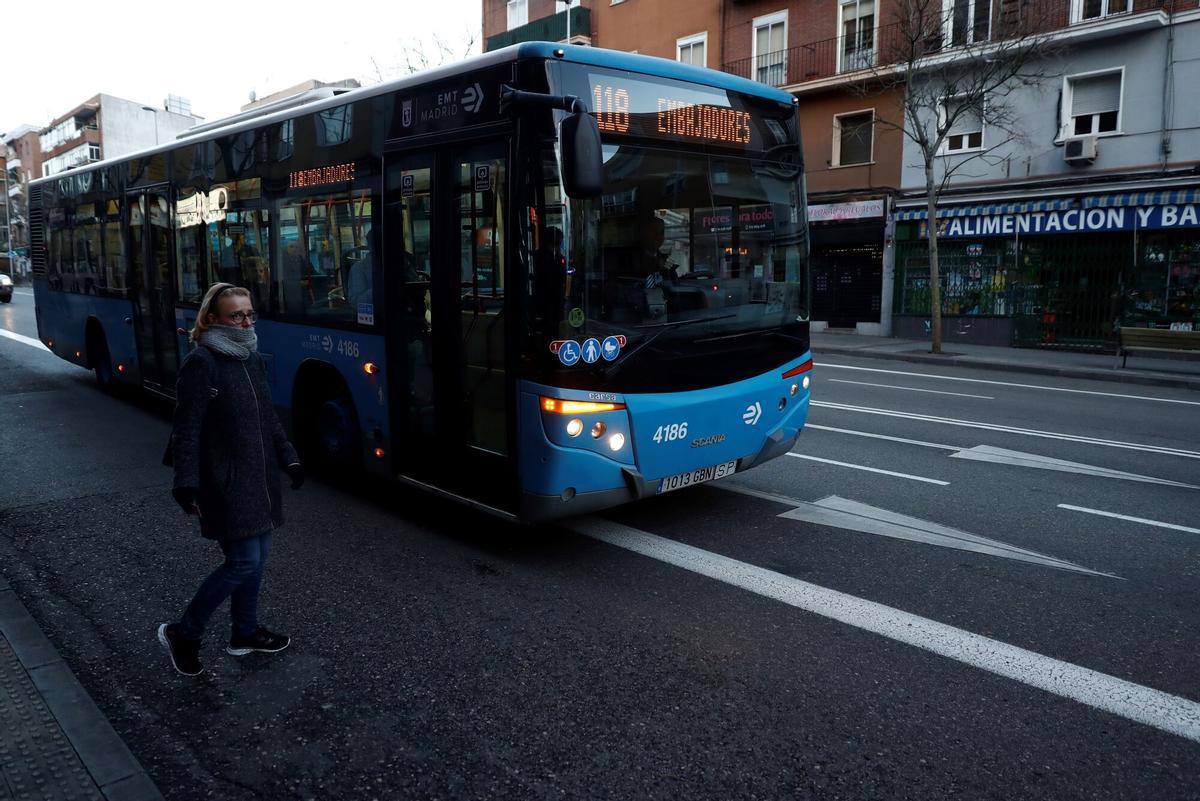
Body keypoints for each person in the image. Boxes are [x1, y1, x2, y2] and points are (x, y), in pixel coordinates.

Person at [157, 283, 303, 677]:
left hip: (260, 478)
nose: (246, 321)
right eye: (236, 315)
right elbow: (186, 429)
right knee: (242, 562)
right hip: (225, 482)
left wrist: (289, 458)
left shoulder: (251, 358)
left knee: (256, 563)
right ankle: (184, 633)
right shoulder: (202, 363)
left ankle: (245, 632)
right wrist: (185, 483)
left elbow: (267, 416)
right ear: (212, 319)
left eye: (250, 314)